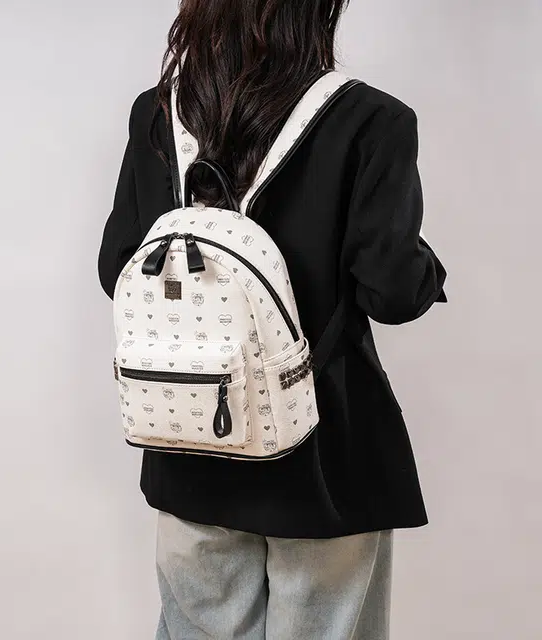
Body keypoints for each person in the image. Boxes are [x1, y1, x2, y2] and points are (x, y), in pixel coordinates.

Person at [98, 1, 447, 637]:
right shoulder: (371, 119)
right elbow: (392, 294)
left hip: (193, 441)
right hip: (325, 458)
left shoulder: (157, 114)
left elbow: (117, 268)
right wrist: (426, 269)